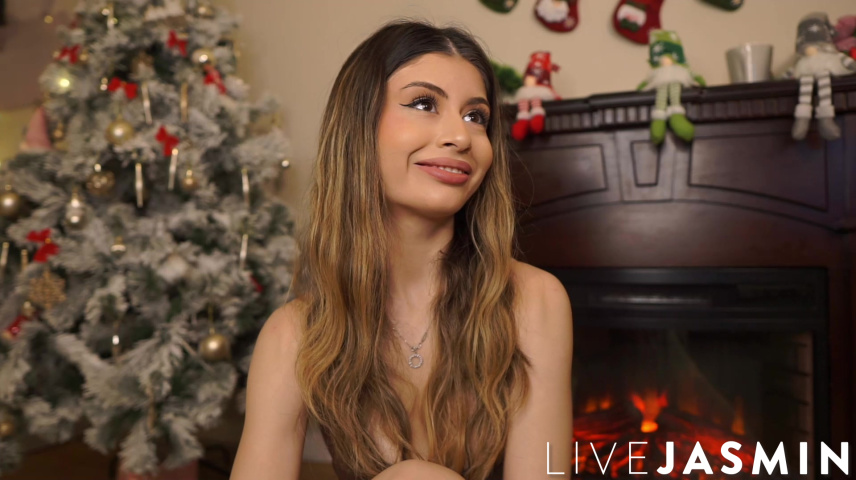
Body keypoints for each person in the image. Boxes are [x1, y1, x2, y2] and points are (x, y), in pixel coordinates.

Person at [230, 19, 573, 480]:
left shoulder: (534, 302)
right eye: (424, 103)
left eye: (476, 117)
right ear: (359, 128)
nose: (461, 137)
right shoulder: (295, 334)